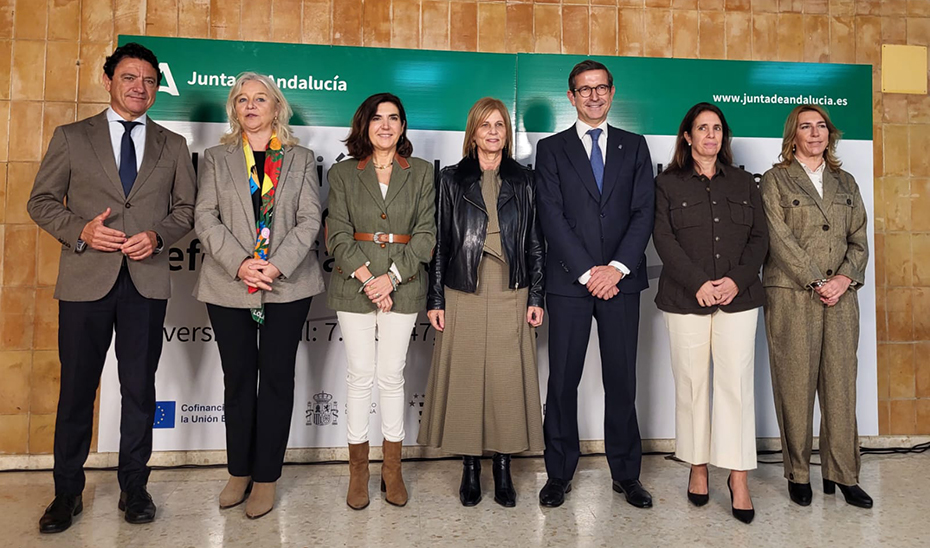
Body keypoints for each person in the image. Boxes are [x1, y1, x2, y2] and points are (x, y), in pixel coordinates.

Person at [27, 43, 196, 533]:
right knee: (78, 391)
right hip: (85, 281)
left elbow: (186, 209)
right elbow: (40, 202)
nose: (139, 87)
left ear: (157, 87)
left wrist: (159, 235)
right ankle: (65, 494)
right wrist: (81, 229)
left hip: (145, 283)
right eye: (129, 77)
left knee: (140, 390)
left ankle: (135, 489)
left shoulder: (173, 144)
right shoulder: (72, 137)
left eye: (148, 79)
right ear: (108, 81)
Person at [192, 73, 325, 519]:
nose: (251, 106)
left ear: (276, 108)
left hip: (287, 284)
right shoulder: (215, 157)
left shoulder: (301, 158)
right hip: (228, 283)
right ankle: (239, 471)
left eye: (260, 99)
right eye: (242, 100)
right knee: (237, 380)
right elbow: (205, 217)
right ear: (234, 109)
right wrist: (241, 263)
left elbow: (309, 219)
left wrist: (275, 264)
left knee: (275, 381)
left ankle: (266, 477)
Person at [534, 59, 656, 508]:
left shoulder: (635, 146)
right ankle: (558, 474)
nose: (593, 96)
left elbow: (645, 212)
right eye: (584, 90)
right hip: (570, 283)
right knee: (563, 382)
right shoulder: (551, 149)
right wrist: (589, 271)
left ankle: (626, 474)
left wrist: (617, 268)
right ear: (571, 96)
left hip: (621, 283)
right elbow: (551, 215)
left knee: (622, 380)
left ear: (612, 92)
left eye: (601, 88)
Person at [418, 97, 546, 507]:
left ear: (507, 134)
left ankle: (504, 466)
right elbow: (440, 243)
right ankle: (470, 467)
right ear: (472, 132)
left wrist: (537, 295)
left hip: (513, 287)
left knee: (507, 380)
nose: (493, 132)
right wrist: (435, 297)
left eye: (500, 126)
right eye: (485, 125)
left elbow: (535, 243)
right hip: (463, 286)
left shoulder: (524, 180)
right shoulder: (453, 179)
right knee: (468, 377)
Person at [653, 103, 768, 524]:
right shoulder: (667, 184)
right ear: (687, 136)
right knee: (692, 384)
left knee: (736, 387)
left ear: (724, 136)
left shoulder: (743, 182)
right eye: (702, 128)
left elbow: (760, 238)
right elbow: (663, 239)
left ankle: (738, 477)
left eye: (717, 128)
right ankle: (698, 467)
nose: (710, 135)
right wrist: (698, 282)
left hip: (739, 298)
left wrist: (736, 279)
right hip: (686, 299)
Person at [326, 93, 436, 510]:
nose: (385, 125)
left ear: (403, 127)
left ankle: (392, 471)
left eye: (393, 118)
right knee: (359, 376)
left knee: (391, 375)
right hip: (353, 284)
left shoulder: (423, 173)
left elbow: (426, 235)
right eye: (377, 118)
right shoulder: (342, 174)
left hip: (403, 285)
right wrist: (369, 278)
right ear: (364, 125)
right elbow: (336, 234)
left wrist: (389, 279)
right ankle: (358, 473)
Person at [761, 104, 871, 509]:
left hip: (842, 298)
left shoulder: (847, 182)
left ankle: (843, 475)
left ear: (830, 133)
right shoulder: (775, 180)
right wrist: (817, 279)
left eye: (821, 126)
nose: (815, 133)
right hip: (792, 295)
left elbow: (859, 239)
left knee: (841, 387)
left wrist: (842, 279)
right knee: (794, 385)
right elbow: (778, 236)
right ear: (793, 135)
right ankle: (799, 472)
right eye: (805, 127)